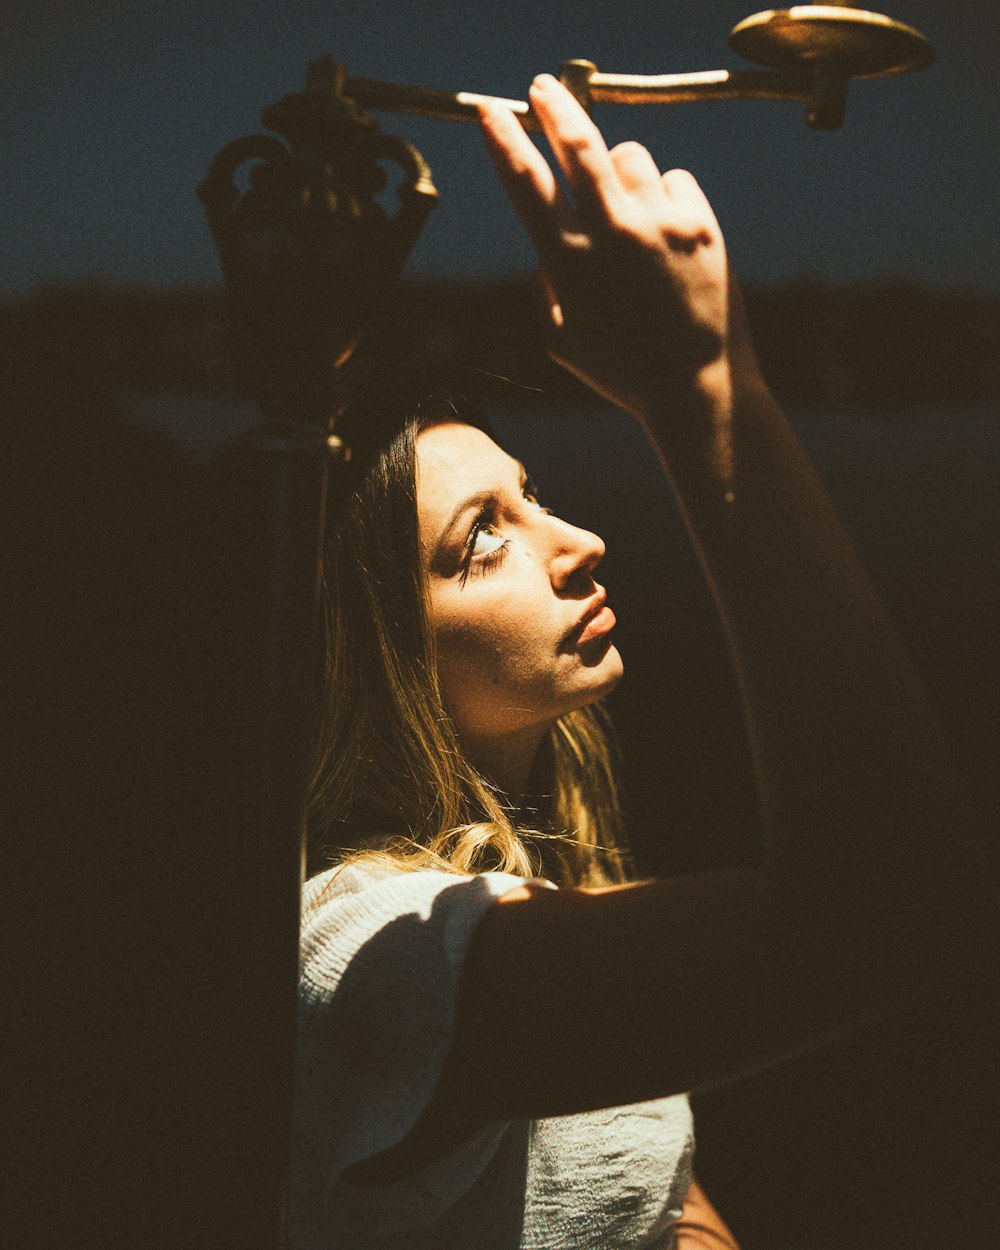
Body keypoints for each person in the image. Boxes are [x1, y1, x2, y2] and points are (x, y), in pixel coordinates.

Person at [289, 75, 990, 1250]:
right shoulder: (368, 960)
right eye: (481, 541)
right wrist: (703, 383)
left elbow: (649, 1190)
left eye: (533, 491)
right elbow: (895, 910)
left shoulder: (531, 875)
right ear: (372, 663)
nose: (580, 542)